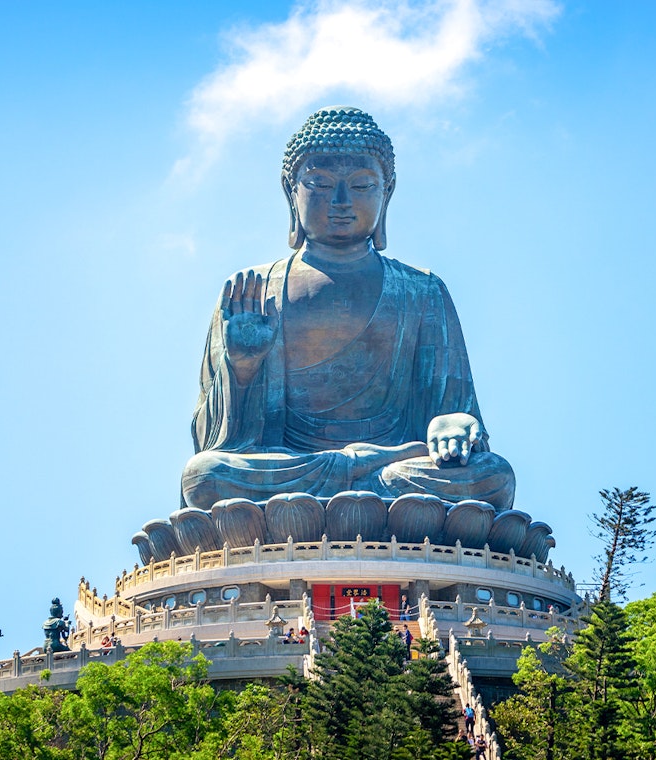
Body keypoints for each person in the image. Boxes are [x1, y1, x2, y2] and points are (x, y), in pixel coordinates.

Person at [181, 106, 515, 512]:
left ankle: (355, 489)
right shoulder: (252, 290)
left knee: (493, 476)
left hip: (397, 468)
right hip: (294, 469)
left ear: (385, 194)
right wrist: (243, 368)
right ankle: (360, 490)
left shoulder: (423, 291)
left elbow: (454, 413)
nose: (340, 201)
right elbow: (214, 441)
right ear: (292, 193)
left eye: (361, 186)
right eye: (319, 183)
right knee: (205, 476)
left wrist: (452, 424)